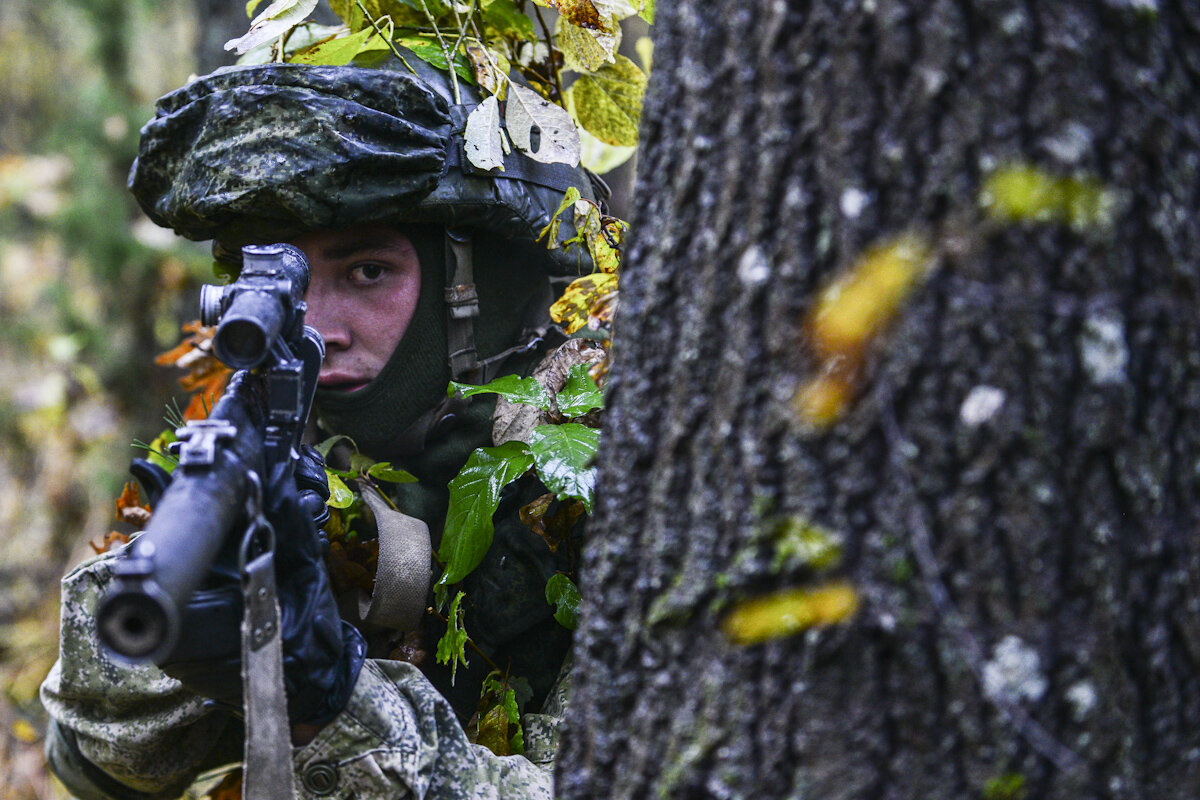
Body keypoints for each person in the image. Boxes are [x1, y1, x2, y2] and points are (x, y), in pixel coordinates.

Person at [40, 53, 604, 799]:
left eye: (367, 271)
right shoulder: (269, 442)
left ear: (472, 284)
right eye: (276, 278)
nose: (316, 329)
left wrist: (329, 707)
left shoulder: (598, 462)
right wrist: (188, 640)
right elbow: (93, 767)